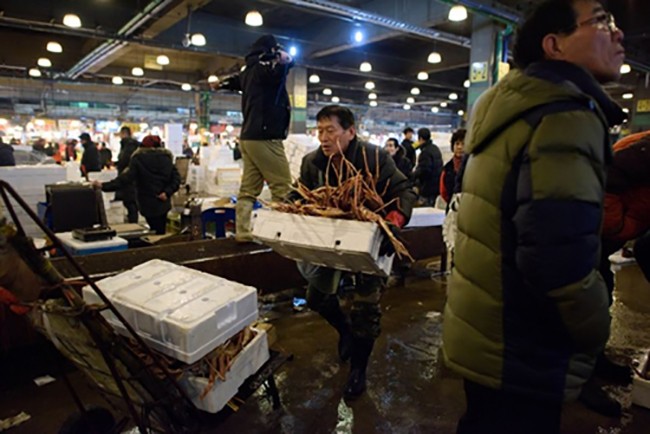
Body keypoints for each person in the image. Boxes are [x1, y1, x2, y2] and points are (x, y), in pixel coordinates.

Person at [442, 1, 626, 433]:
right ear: (554, 44)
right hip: (523, 345)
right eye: (602, 21)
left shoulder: (503, 106)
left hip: (487, 333)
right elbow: (556, 262)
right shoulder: (565, 115)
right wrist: (597, 326)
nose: (618, 34)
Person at [293, 105, 416, 398]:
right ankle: (343, 330)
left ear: (351, 131)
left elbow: (405, 190)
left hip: (369, 241)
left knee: (366, 310)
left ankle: (358, 369)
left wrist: (393, 222)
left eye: (330, 130)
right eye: (319, 130)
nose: (323, 137)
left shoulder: (374, 157)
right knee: (316, 297)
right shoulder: (312, 163)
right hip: (328, 241)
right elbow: (298, 194)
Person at [233, 34, 294, 242]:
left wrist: (219, 84)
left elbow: (234, 82)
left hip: (248, 137)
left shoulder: (247, 71)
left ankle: (242, 231)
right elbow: (284, 64)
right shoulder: (265, 67)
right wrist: (283, 58)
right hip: (266, 135)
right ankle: (278, 232)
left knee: (248, 189)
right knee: (283, 187)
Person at [93, 135, 180, 234]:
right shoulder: (167, 159)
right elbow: (176, 179)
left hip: (146, 202)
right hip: (163, 202)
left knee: (153, 230)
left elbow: (125, 179)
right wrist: (167, 192)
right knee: (160, 230)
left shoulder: (138, 158)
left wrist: (104, 186)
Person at [411, 127, 443, 206]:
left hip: (428, 188)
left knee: (424, 210)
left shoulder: (425, 152)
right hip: (436, 186)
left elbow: (424, 170)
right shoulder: (435, 148)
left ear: (420, 138)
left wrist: (413, 176)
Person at [115, 127, 140, 223]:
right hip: (131, 178)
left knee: (130, 201)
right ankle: (132, 220)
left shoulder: (128, 145)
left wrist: (119, 164)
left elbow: (125, 161)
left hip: (128, 177)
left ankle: (133, 222)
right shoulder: (133, 145)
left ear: (124, 133)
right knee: (131, 201)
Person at [439, 129, 466, 211]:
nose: (459, 147)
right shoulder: (447, 168)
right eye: (457, 143)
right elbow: (443, 192)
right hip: (452, 209)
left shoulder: (473, 167)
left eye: (463, 144)